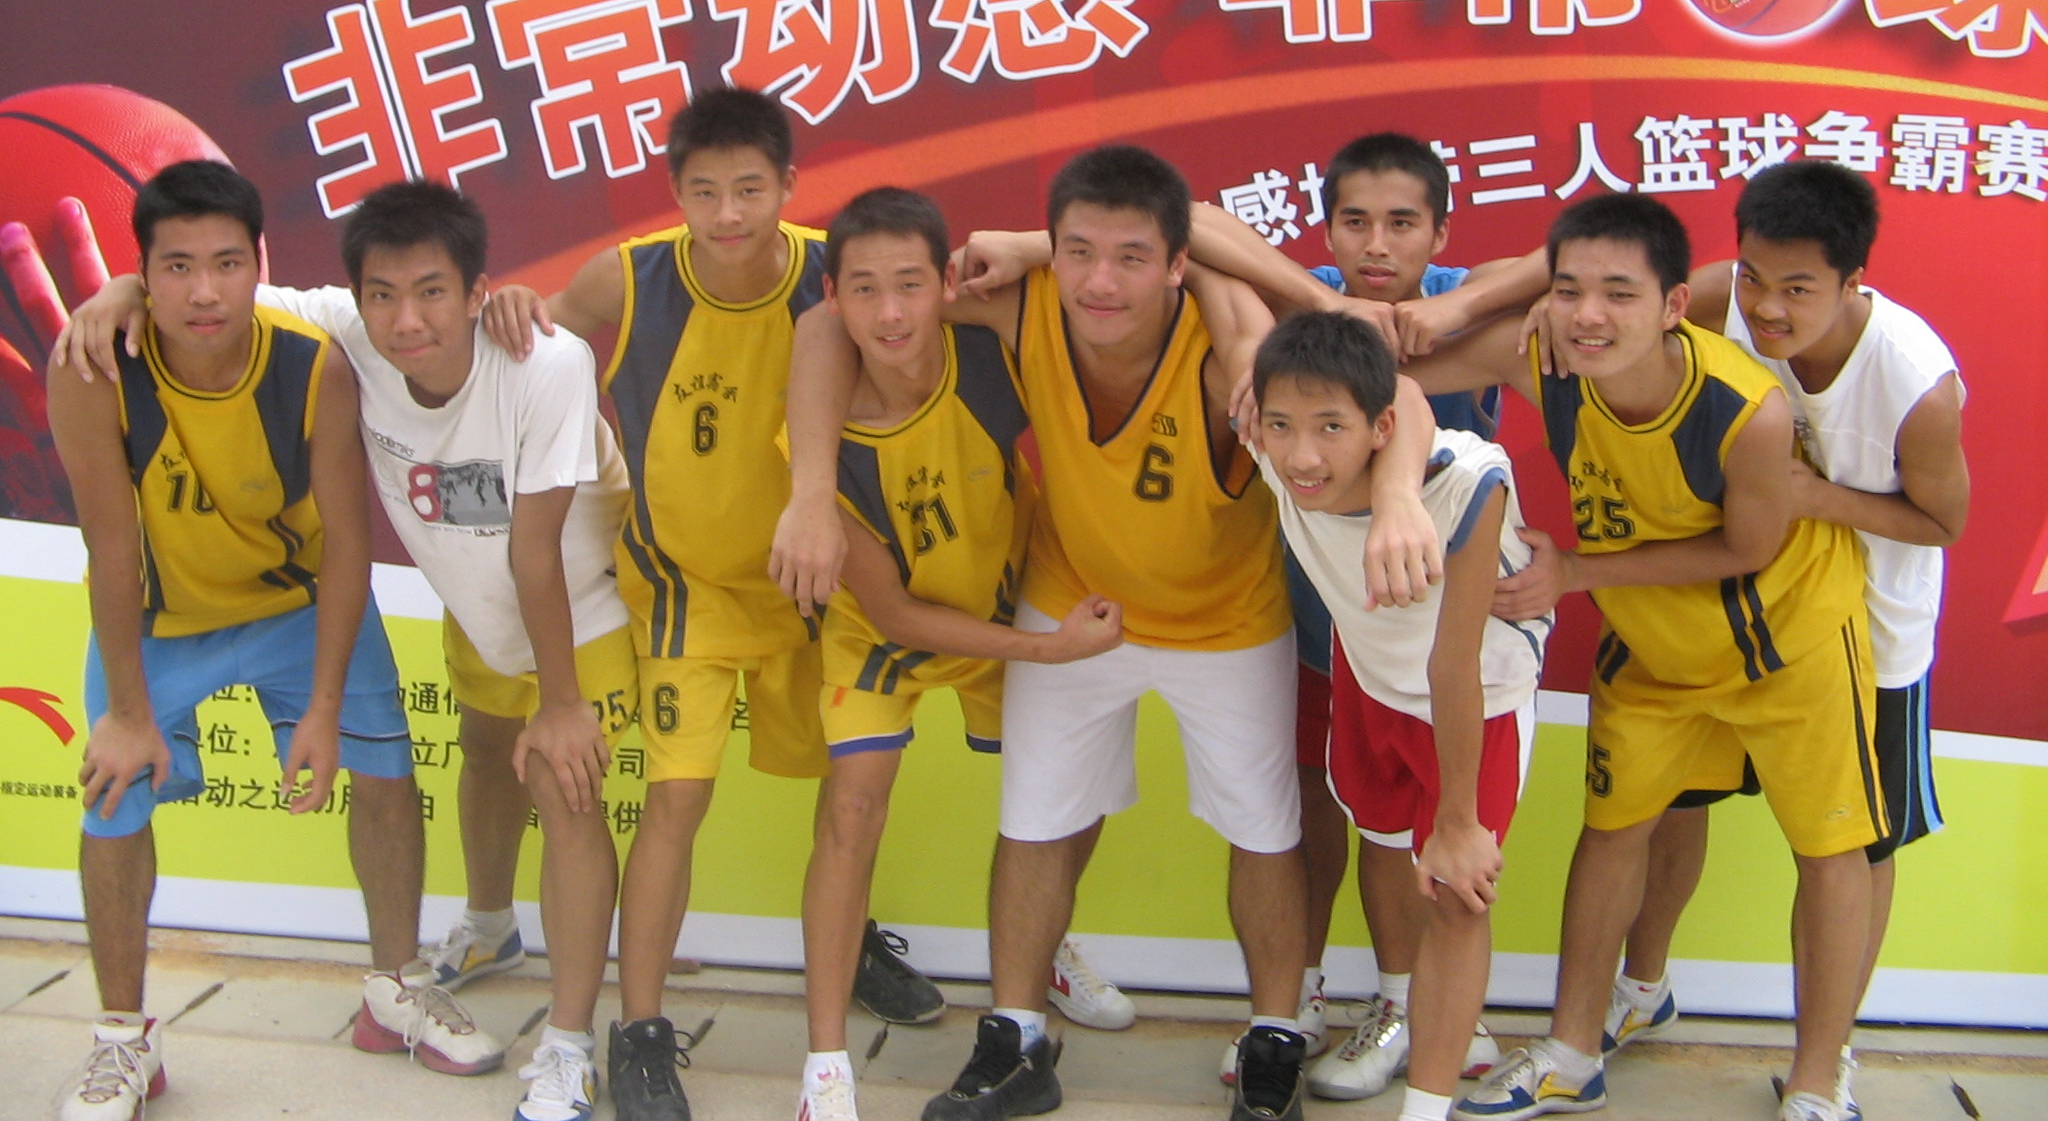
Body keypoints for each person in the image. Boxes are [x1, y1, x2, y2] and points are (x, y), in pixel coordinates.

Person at [775, 145, 1443, 1121]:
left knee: (1266, 833)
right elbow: (822, 325)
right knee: (1034, 822)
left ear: (1177, 265)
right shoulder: (1021, 300)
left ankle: (1271, 1040)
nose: (1099, 281)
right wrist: (807, 493)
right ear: (1052, 249)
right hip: (1074, 601)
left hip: (1225, 617)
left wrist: (1399, 498)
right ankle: (1015, 1037)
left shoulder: (1229, 343)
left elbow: (1398, 395)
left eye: (1131, 257)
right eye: (1078, 252)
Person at [59, 178, 640, 1121]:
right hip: (302, 616)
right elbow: (116, 532)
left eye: (433, 292)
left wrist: (556, 701)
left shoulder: (491, 361)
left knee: (479, 781)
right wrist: (118, 292)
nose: (407, 319)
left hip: (484, 611)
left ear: (477, 290)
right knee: (479, 753)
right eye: (385, 295)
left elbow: (466, 547)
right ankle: (128, 1036)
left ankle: (485, 1019)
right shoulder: (314, 335)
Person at [482, 88, 946, 1121]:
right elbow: (534, 334)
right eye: (703, 193)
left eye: (748, 190)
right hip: (683, 592)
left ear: (788, 186)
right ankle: (642, 1033)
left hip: (821, 587)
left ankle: (850, 944)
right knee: (676, 802)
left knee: (849, 793)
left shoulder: (842, 272)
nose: (727, 214)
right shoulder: (628, 276)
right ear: (675, 194)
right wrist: (511, 302)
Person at [1386, 191, 1877, 1121]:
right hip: (1652, 645)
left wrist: (1574, 571)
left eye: (1619, 293)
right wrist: (1276, 366)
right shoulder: (1541, 356)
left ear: (1673, 306)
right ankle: (1572, 1052)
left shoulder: (1749, 410)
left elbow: (1750, 547)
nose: (1588, 315)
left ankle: (1817, 1079)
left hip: (1789, 640)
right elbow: (1399, 371)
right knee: (1612, 832)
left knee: (1828, 851)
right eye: (1569, 289)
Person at [1159, 133, 1544, 1086]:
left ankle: (1419, 1011)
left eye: (1403, 223)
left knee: (1445, 838)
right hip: (1319, 623)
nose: (1377, 243)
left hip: (1446, 634)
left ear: (1440, 233)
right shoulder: (1306, 303)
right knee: (1322, 810)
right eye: (1355, 222)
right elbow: (1192, 224)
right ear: (1326, 228)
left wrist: (1454, 308)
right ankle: (1300, 998)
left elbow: (1566, 261)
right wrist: (1326, 302)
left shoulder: (1462, 299)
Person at [1601, 162, 1967, 1118]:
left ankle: (1821, 1065)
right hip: (1723, 609)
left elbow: (1945, 521)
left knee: (1854, 847)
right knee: (1675, 801)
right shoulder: (1717, 298)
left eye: (1798, 289)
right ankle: (1641, 990)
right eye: (1755, 277)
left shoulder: (1917, 382)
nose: (1766, 308)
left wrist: (1813, 497)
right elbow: (1601, 302)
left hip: (1867, 633)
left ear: (1853, 283)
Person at [795, 187, 1125, 1121]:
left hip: (1005, 598)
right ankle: (825, 1066)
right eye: (865, 289)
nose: (890, 312)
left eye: (910, 283)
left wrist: (1026, 244)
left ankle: (1041, 948)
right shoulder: (817, 431)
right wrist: (1045, 651)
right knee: (851, 809)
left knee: (1071, 792)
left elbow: (1113, 263)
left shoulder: (986, 351)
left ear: (945, 282)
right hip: (888, 632)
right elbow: (896, 615)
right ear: (834, 296)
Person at [1251, 311, 1542, 1121]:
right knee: (1382, 844)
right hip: (1369, 676)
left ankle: (1429, 1102)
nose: (1302, 456)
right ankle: (1400, 1010)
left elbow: (1456, 663)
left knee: (1456, 887)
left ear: (1377, 430)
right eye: (1282, 425)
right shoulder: (1271, 447)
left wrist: (1459, 819)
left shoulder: (1467, 486)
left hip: (1474, 698)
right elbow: (1395, 392)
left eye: (1331, 428)